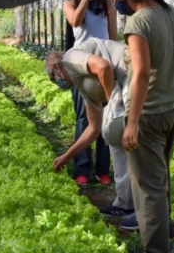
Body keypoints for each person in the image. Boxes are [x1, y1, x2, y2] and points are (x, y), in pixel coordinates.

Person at [102, 0, 174, 253]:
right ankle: (164, 235)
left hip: (149, 112)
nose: (116, 6)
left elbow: (138, 75)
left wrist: (133, 122)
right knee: (160, 178)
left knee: (148, 185)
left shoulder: (138, 23)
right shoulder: (173, 14)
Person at [46, 38, 134, 219]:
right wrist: (67, 156)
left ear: (57, 68)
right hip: (126, 82)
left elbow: (103, 67)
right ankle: (126, 204)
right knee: (115, 138)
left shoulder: (71, 57)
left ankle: (138, 210)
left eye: (53, 78)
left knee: (128, 141)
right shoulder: (82, 81)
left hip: (132, 75)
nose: (57, 83)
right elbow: (93, 129)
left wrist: (111, 104)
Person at [63, 0, 117, 186]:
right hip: (82, 66)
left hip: (104, 65)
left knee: (107, 116)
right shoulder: (70, 3)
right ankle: (82, 168)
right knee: (84, 119)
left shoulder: (108, 5)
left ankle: (103, 169)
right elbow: (74, 20)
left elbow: (113, 37)